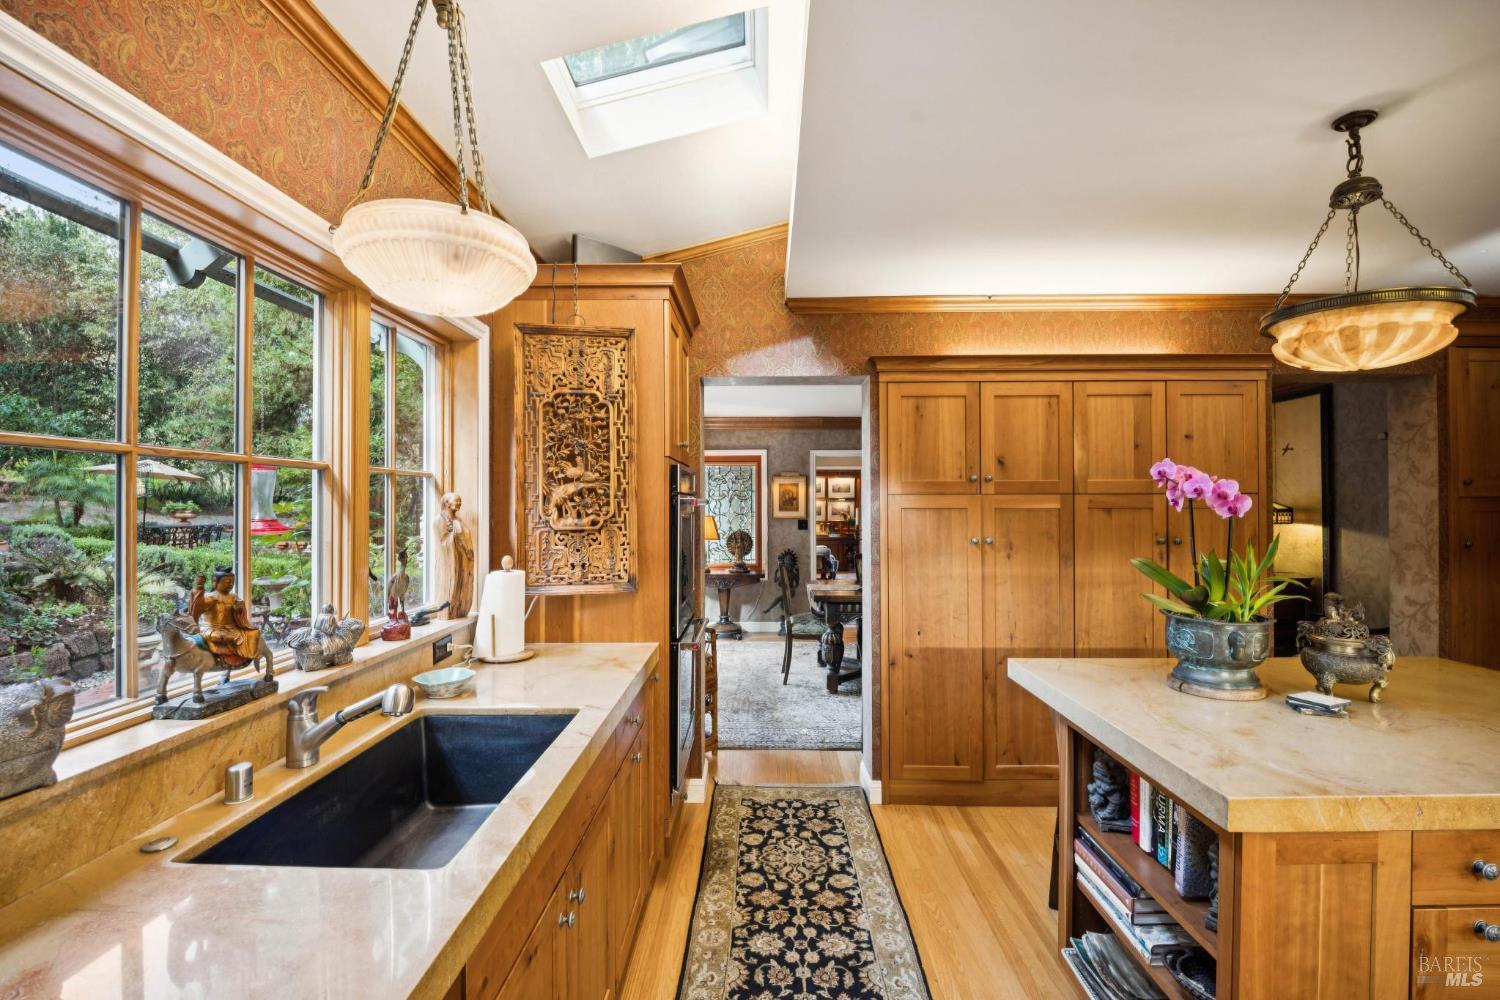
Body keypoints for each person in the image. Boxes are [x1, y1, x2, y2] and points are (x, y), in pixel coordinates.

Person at [188, 567, 262, 665]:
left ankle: (249, 655)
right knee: (218, 636)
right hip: (212, 629)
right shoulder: (210, 597)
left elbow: (240, 613)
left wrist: (239, 608)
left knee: (254, 633)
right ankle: (233, 650)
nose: (230, 585)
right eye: (227, 582)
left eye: (232, 582)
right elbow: (198, 607)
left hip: (232, 628)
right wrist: (198, 590)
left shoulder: (233, 596)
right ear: (215, 582)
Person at [435, 492, 474, 618]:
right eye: (456, 501)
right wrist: (454, 537)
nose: (459, 503)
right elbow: (442, 542)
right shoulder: (440, 520)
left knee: (463, 588)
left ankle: (461, 608)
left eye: (460, 501)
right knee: (452, 590)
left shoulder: (458, 520)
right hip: (451, 563)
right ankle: (449, 610)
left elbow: (465, 536)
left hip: (463, 561)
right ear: (446, 503)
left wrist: (467, 550)